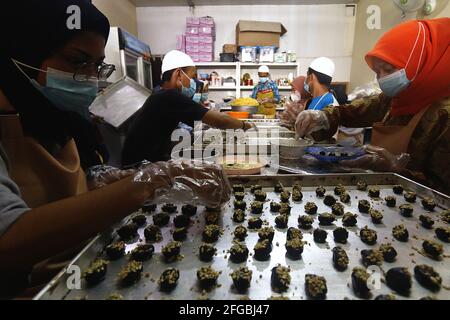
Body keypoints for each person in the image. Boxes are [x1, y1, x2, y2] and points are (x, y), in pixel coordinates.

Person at [0, 0, 230, 299]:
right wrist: (152, 179)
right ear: (25, 49)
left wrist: (110, 178)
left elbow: (74, 185)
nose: (91, 78)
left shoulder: (58, 116)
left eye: (97, 65)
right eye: (78, 61)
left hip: (78, 267)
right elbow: (8, 239)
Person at [295, 18, 450, 193]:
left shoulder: (444, 115)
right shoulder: (394, 99)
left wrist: (398, 171)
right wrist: (322, 117)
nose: (382, 78)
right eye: (377, 72)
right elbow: (351, 112)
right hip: (383, 197)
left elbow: (443, 190)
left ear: (421, 62)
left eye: (389, 70)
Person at [121, 50, 254, 165]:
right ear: (178, 74)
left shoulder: (161, 95)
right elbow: (219, 120)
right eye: (191, 77)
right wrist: (245, 126)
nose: (193, 83)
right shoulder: (169, 97)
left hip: (146, 162)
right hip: (138, 170)